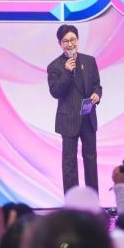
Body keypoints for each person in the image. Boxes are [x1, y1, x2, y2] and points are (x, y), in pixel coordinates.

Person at [47, 25, 102, 194]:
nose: (70, 44)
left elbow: (97, 85)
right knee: (69, 163)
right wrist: (67, 73)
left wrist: (97, 95)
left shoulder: (89, 61)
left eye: (73, 40)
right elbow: (55, 92)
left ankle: (93, 200)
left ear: (77, 40)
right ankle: (72, 202)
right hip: (68, 120)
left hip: (88, 117)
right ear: (60, 44)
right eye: (66, 41)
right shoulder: (54, 66)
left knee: (91, 160)